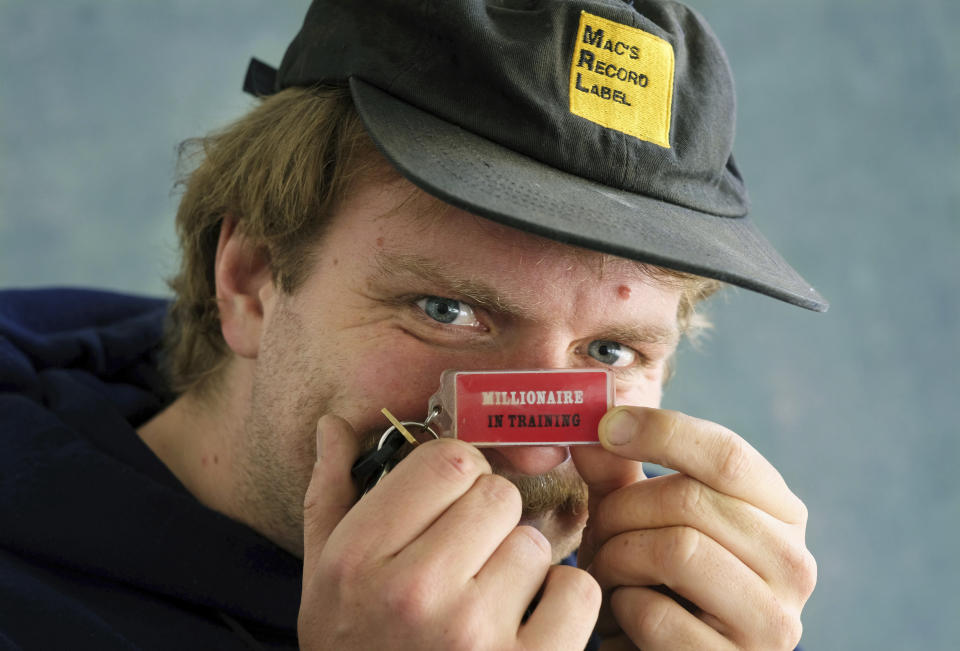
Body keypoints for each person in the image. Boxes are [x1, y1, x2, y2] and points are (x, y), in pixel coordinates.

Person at [0, 0, 826, 649]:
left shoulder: (626, 615)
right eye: (449, 310)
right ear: (250, 280)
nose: (533, 448)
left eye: (610, 349)